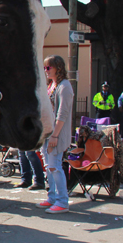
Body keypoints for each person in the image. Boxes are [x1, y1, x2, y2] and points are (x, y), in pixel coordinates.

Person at [39, 55, 73, 214]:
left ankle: (62, 201)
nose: (46, 70)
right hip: (48, 132)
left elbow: (62, 114)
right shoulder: (52, 85)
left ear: (57, 68)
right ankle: (52, 197)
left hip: (56, 134)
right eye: (45, 67)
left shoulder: (65, 86)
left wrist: (55, 135)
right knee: (49, 166)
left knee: (54, 166)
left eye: (48, 67)